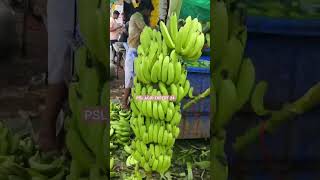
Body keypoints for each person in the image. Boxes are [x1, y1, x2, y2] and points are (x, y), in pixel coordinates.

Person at [39, 0, 75, 152]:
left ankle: (64, 132)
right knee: (61, 68)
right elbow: (58, 69)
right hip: (66, 11)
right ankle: (48, 132)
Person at [122, 1, 152, 109]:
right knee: (130, 78)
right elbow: (146, 29)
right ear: (146, 9)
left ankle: (132, 102)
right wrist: (156, 29)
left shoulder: (138, 16)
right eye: (150, 12)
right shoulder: (137, 16)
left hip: (136, 50)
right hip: (133, 50)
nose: (150, 14)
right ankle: (124, 102)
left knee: (134, 78)